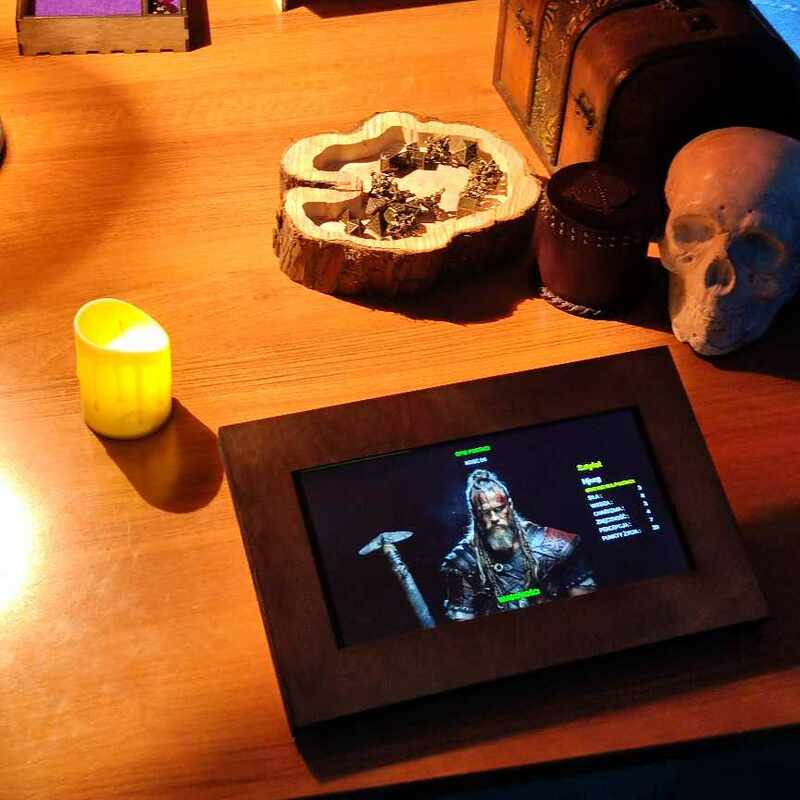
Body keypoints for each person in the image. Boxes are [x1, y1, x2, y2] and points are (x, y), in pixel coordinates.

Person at [440, 469, 596, 620]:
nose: (494, 518)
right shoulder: (462, 563)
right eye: (485, 512)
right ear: (475, 515)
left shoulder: (556, 545)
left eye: (499, 509)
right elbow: (464, 623)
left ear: (510, 505)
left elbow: (586, 609)